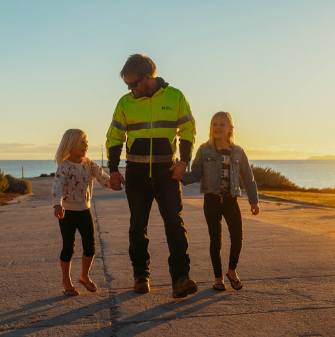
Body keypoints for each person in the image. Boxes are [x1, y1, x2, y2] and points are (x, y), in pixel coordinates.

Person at [106, 54, 197, 298]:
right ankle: (141, 275)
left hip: (166, 173)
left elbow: (187, 131)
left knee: (174, 224)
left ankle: (180, 278)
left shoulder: (175, 96)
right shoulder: (125, 102)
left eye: (133, 83)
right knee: (137, 227)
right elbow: (115, 137)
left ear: (149, 77)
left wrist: (184, 162)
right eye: (126, 84)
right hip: (135, 175)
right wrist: (113, 169)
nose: (129, 88)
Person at [182, 111, 259, 291]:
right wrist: (179, 177)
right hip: (212, 200)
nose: (217, 128)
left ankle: (231, 271)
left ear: (230, 128)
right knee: (215, 240)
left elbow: (248, 178)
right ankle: (218, 278)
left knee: (237, 238)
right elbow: (195, 174)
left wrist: (253, 201)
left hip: (232, 200)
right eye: (214, 124)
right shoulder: (204, 150)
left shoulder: (239, 152)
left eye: (222, 124)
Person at [52, 129, 111, 296]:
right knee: (68, 248)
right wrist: (57, 204)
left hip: (85, 211)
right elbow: (57, 185)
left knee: (90, 247)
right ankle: (66, 281)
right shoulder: (64, 167)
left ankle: (84, 275)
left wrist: (116, 183)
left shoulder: (89, 164)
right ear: (71, 144)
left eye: (86, 141)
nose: (86, 145)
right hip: (67, 213)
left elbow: (103, 178)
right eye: (83, 142)